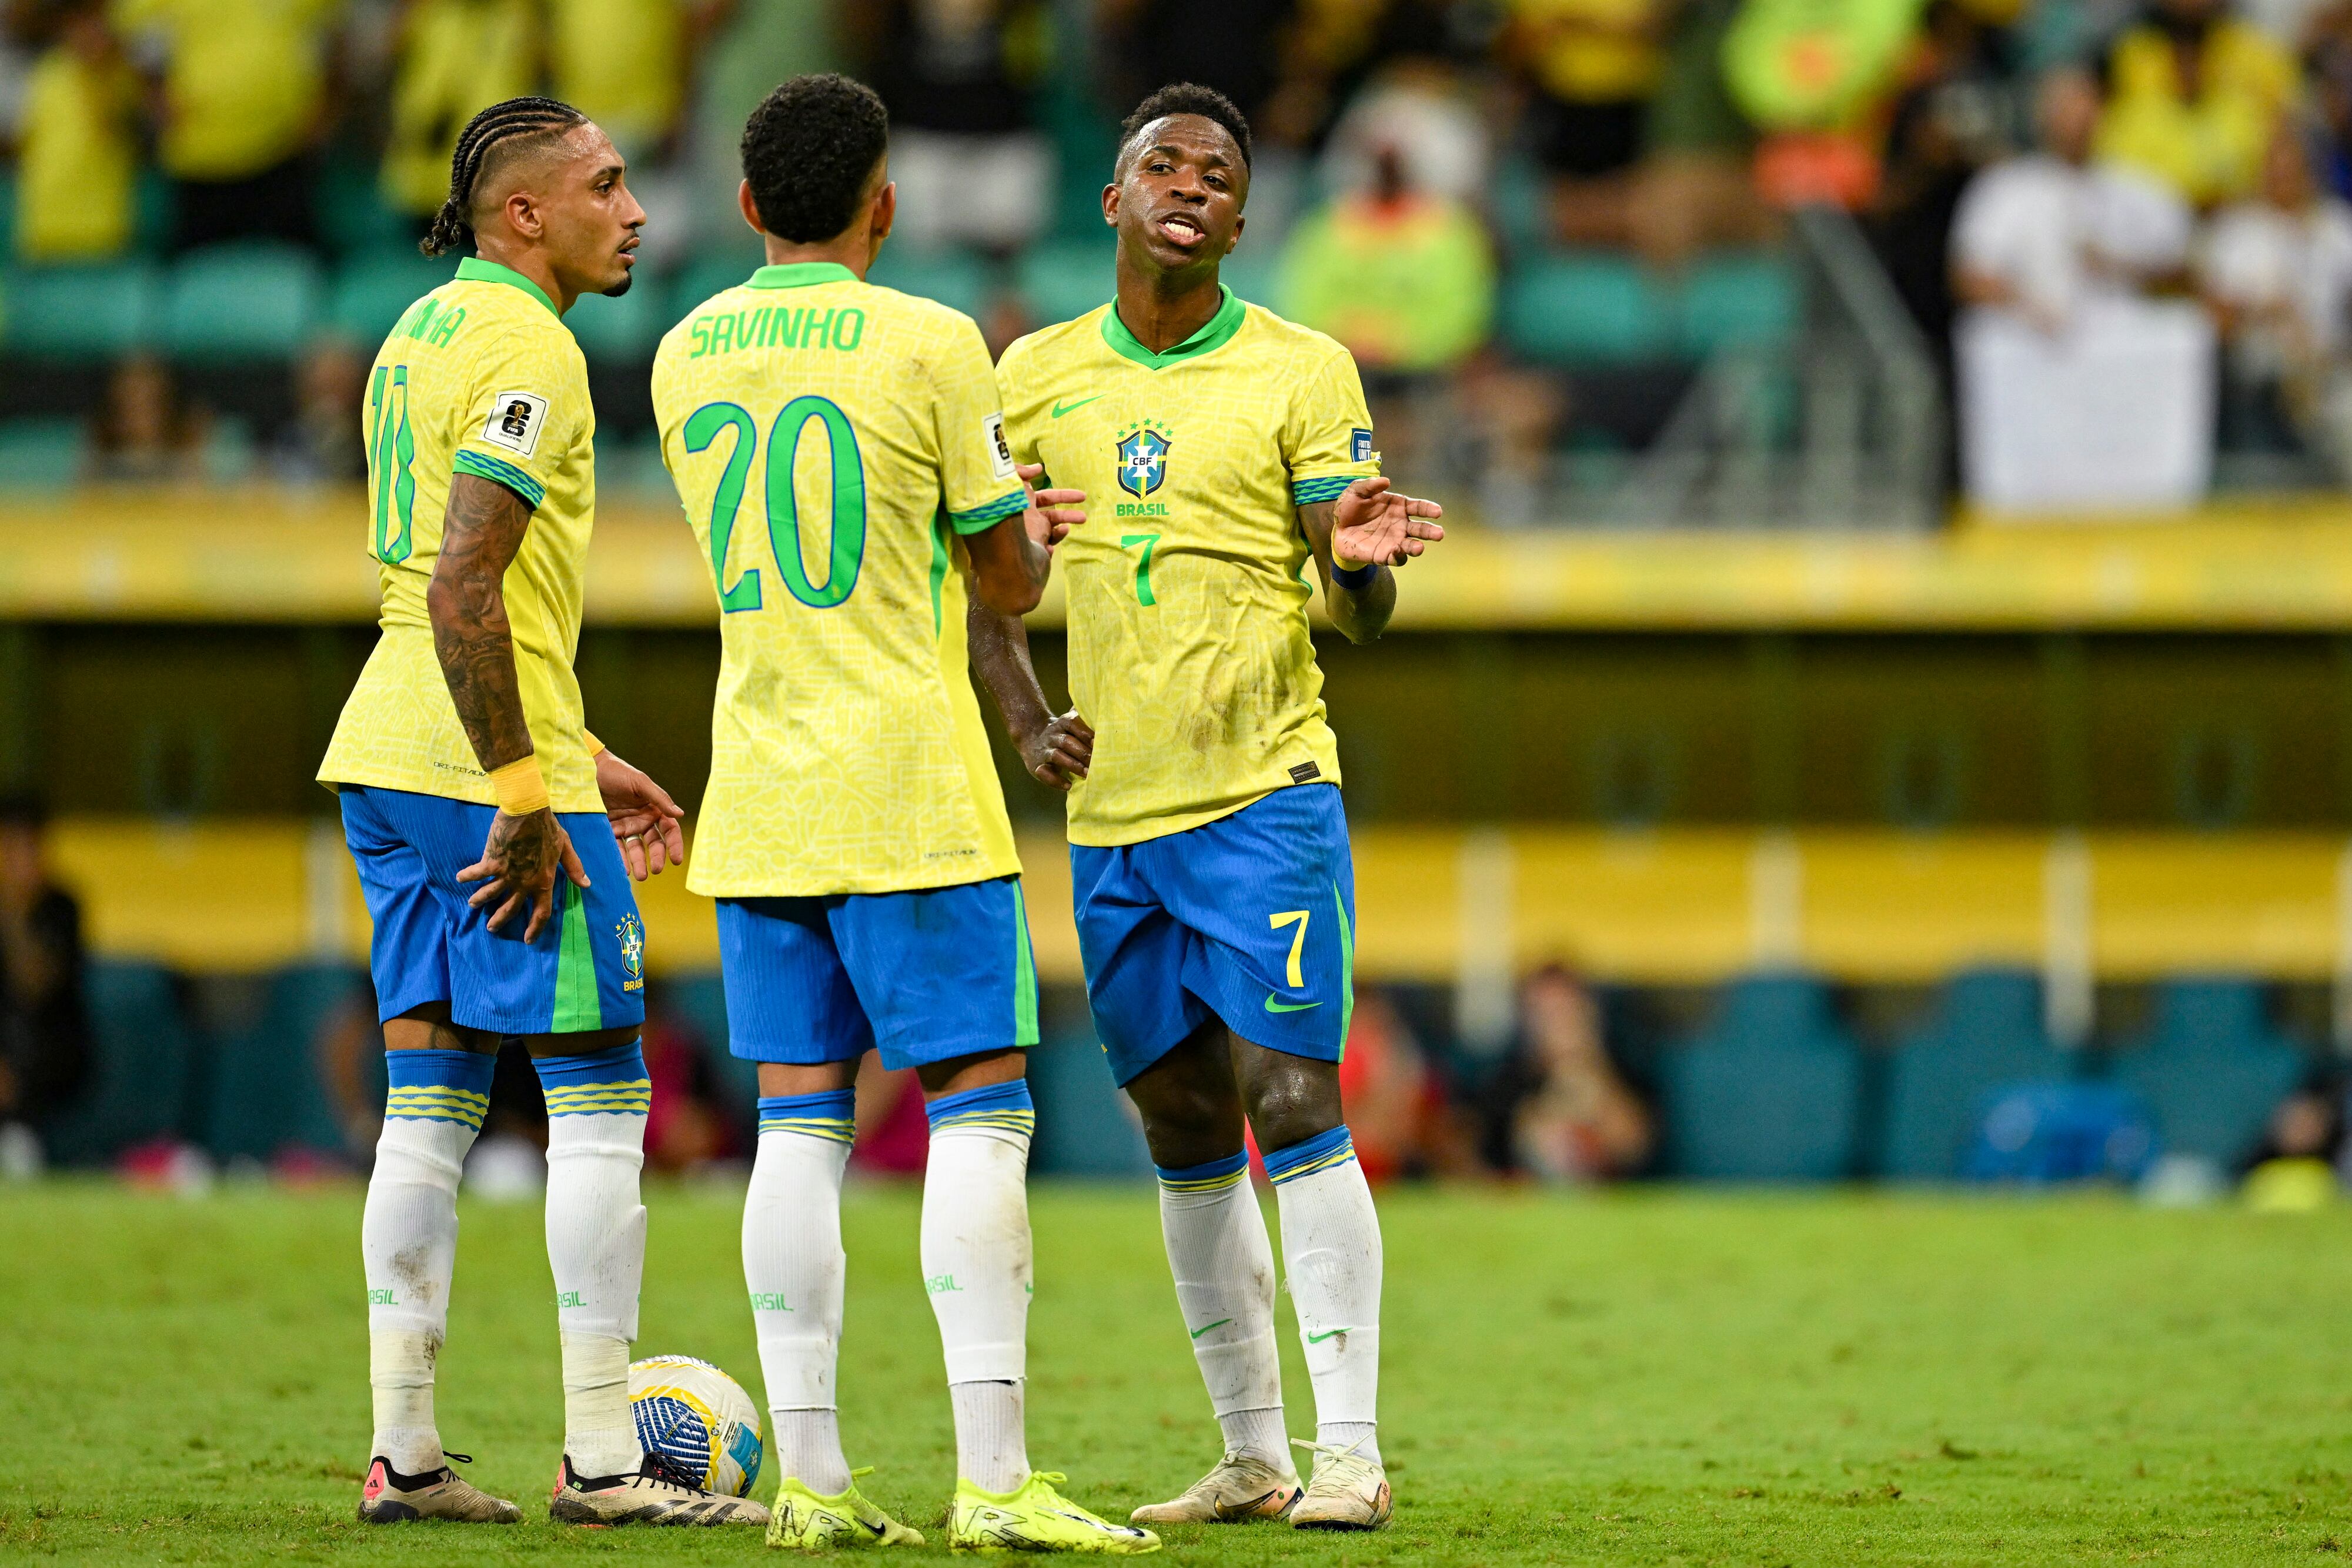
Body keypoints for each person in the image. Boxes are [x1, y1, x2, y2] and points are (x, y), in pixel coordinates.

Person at [649, 73, 1152, 1554]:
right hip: (908, 789)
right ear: (883, 203)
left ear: (745, 209)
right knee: (979, 1117)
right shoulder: (931, 339)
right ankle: (993, 1484)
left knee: (795, 1131)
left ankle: (807, 1484)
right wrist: (1007, 528)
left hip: (760, 785)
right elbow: (1009, 586)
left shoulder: (683, 351)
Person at [984, 81, 1445, 1533]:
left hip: (1263, 790)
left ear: (1241, 220)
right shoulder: (1034, 378)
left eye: (1217, 172)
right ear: (1113, 197)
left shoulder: (1305, 370)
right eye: (1160, 162)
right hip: (1115, 815)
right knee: (1179, 1124)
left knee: (1292, 1095)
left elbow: (1355, 610)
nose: (1188, 181)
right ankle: (1253, 1453)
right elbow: (985, 585)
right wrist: (1021, 719)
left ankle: (1352, 1454)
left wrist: (1358, 567)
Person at [315, 95, 763, 1529]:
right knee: (599, 1099)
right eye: (608, 187)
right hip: (479, 771)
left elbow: (438, 599)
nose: (636, 213)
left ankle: (407, 1454)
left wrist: (579, 747)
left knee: (430, 1107)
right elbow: (466, 586)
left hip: (388, 749)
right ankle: (604, 1458)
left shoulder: (420, 330)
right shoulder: (534, 348)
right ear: (527, 213)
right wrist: (527, 787)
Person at [1952, 68, 2194, 333]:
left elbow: (2185, 270)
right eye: (2065, 108)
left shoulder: (2139, 189)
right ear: (2042, 115)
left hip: (2122, 348)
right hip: (2031, 347)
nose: (2076, 120)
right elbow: (1970, 276)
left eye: (2085, 106)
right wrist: (2027, 308)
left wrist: (2119, 267)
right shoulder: (2005, 189)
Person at [110, 0, 340, 251]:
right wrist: (153, 95)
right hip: (201, 160)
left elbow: (337, 30)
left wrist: (328, 105)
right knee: (201, 272)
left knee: (292, 267)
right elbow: (125, 34)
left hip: (284, 150)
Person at [2199, 118, 2352, 460]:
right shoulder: (2237, 232)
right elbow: (2213, 319)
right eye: (2275, 170)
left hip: (2329, 362)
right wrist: (2261, 309)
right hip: (2262, 371)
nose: (2282, 179)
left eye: (2292, 171)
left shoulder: (2337, 227)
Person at [2096, 0, 2301, 208]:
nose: (2189, 69)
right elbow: (2118, 177)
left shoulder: (2238, 108)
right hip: (2162, 216)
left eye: (2195, 62)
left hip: (2234, 211)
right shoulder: (2138, 110)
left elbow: (2267, 164)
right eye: (2181, 62)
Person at [12, 0, 141, 264]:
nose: (86, 34)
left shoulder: (122, 78)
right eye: (77, 25)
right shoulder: (47, 72)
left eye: (95, 25)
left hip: (101, 233)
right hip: (42, 230)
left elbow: (117, 127)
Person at [0, 795, 91, 1165]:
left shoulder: (61, 907)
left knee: (27, 1041)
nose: (20, 860)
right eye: (9, 847)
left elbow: (34, 985)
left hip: (51, 1050)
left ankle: (18, 1141)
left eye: (29, 847)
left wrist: (14, 910)